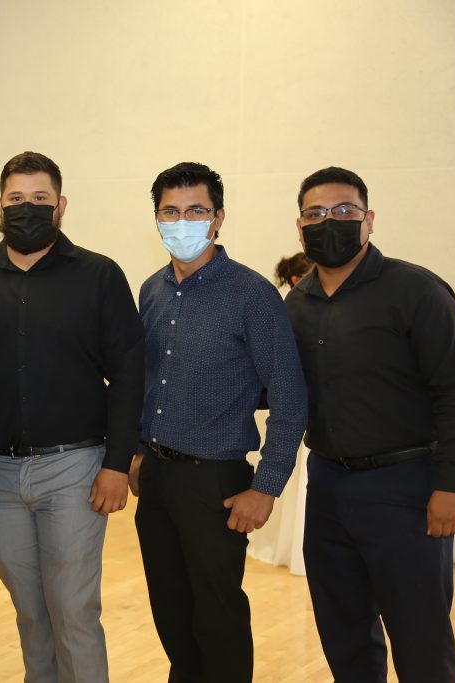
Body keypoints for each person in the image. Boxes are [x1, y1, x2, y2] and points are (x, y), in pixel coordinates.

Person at [0, 151, 144, 683]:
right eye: (16, 198)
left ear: (61, 206)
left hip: (75, 470)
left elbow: (129, 374)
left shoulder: (99, 276)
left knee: (74, 611)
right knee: (31, 613)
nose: (27, 207)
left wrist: (117, 462)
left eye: (40, 198)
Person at [129, 161, 307, 683]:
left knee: (217, 615)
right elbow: (145, 381)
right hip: (156, 477)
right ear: (157, 219)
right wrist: (136, 452)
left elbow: (290, 398)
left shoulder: (252, 294)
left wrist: (266, 486)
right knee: (169, 608)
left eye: (196, 211)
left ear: (218, 218)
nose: (182, 222)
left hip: (216, 480)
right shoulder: (151, 290)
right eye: (170, 212)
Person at [285, 167, 455, 683]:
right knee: (343, 633)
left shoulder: (416, 291)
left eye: (344, 210)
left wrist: (453, 484)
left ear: (369, 220)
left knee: (420, 637)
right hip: (327, 487)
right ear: (300, 227)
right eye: (316, 213)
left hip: (406, 488)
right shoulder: (296, 304)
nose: (330, 221)